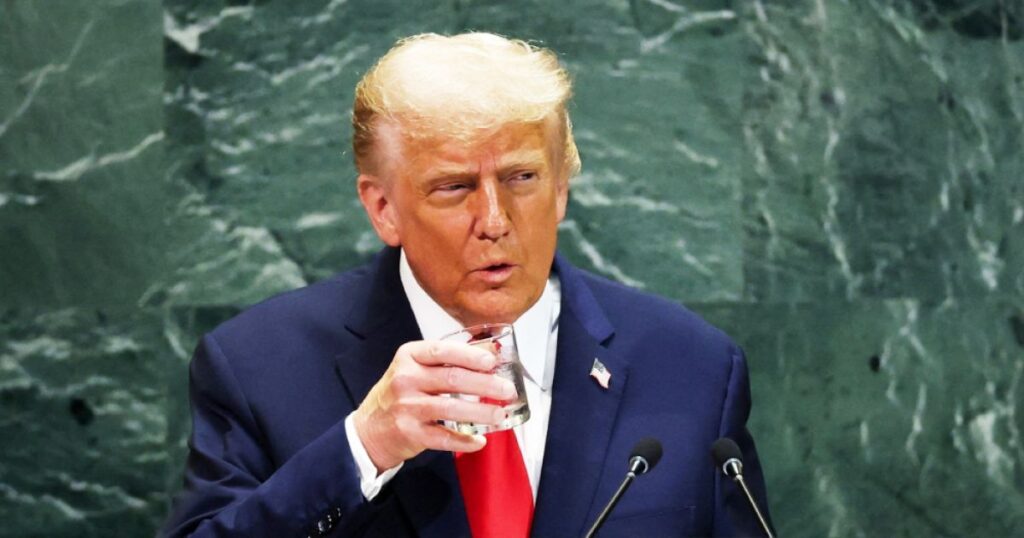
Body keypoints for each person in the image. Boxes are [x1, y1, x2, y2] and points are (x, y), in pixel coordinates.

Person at [162, 32, 771, 537]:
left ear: (561, 188)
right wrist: (364, 447)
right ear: (383, 209)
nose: (495, 221)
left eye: (522, 178)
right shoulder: (257, 368)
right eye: (454, 187)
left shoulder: (694, 369)